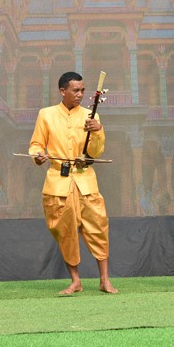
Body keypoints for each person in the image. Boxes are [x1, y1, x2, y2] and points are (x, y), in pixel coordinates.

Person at [29, 71, 117, 295]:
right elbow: (36, 144)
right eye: (75, 90)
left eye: (82, 91)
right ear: (63, 91)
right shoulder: (46, 114)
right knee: (65, 231)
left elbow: (95, 152)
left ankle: (104, 280)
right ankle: (75, 280)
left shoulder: (91, 116)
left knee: (98, 228)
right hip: (58, 180)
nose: (80, 95)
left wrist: (97, 132)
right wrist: (38, 155)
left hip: (85, 180)